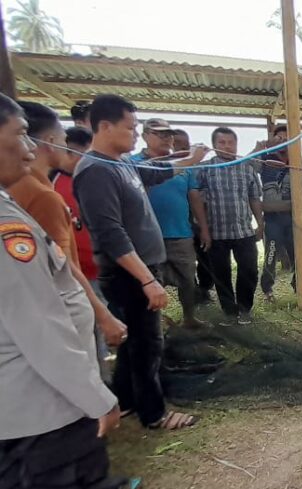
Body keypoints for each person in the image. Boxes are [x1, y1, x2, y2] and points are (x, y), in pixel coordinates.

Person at [0, 93, 120, 489]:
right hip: (44, 409)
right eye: (20, 135)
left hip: (16, 410)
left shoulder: (11, 203)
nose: (31, 148)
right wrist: (96, 397)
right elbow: (40, 328)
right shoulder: (7, 225)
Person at [74, 94, 208, 430]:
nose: (136, 135)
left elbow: (157, 173)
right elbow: (110, 233)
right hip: (128, 274)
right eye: (131, 128)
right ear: (104, 126)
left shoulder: (123, 163)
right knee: (149, 344)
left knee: (135, 341)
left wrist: (191, 159)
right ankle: (155, 413)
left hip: (142, 268)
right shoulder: (95, 171)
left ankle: (127, 401)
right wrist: (147, 280)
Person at [6, 102, 127, 353]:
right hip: (61, 307)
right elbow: (63, 266)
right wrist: (103, 315)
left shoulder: (21, 188)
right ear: (51, 141)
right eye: (63, 138)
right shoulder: (42, 196)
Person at [129, 119, 210, 329]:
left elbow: (194, 197)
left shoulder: (184, 164)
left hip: (180, 232)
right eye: (160, 134)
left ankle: (189, 318)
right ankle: (154, 322)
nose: (167, 139)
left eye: (169, 135)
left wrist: (203, 228)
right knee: (151, 280)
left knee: (187, 279)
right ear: (146, 135)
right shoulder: (133, 163)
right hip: (146, 235)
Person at [52, 126, 113, 370]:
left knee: (103, 319)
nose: (78, 160)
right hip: (75, 272)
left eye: (84, 154)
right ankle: (98, 375)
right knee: (87, 324)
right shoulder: (53, 185)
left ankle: (104, 368)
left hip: (102, 265)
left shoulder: (94, 179)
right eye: (72, 153)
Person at [197, 127, 264, 324]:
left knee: (249, 270)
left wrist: (260, 222)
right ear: (214, 145)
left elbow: (254, 198)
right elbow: (197, 201)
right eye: (222, 143)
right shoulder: (204, 169)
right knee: (221, 274)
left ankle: (244, 309)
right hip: (216, 233)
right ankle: (229, 311)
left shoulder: (247, 167)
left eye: (231, 142)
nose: (227, 146)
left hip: (244, 231)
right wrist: (204, 230)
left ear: (236, 144)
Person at [256, 125, 302, 301]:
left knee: (297, 255)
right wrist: (264, 145)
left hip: (293, 218)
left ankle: (299, 287)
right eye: (279, 139)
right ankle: (267, 290)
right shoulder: (264, 160)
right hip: (272, 219)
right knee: (270, 255)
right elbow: (248, 165)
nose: (283, 143)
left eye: (288, 139)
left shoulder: (299, 164)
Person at [174, 129, 214, 303]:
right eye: (178, 144)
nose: (182, 147)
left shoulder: (196, 167)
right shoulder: (164, 167)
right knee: (184, 265)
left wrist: (203, 226)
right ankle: (193, 294)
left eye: (185, 144)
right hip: (175, 226)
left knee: (205, 255)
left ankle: (204, 289)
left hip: (196, 222)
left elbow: (197, 196)